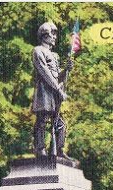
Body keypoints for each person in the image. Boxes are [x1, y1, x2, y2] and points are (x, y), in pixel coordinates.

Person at [32, 22, 74, 158]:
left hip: (54, 93)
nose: (55, 37)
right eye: (53, 34)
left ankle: (59, 149)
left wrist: (66, 70)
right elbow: (45, 73)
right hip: (44, 91)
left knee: (59, 123)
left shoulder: (55, 55)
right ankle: (40, 149)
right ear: (44, 35)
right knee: (43, 120)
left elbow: (56, 76)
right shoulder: (38, 51)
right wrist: (59, 89)